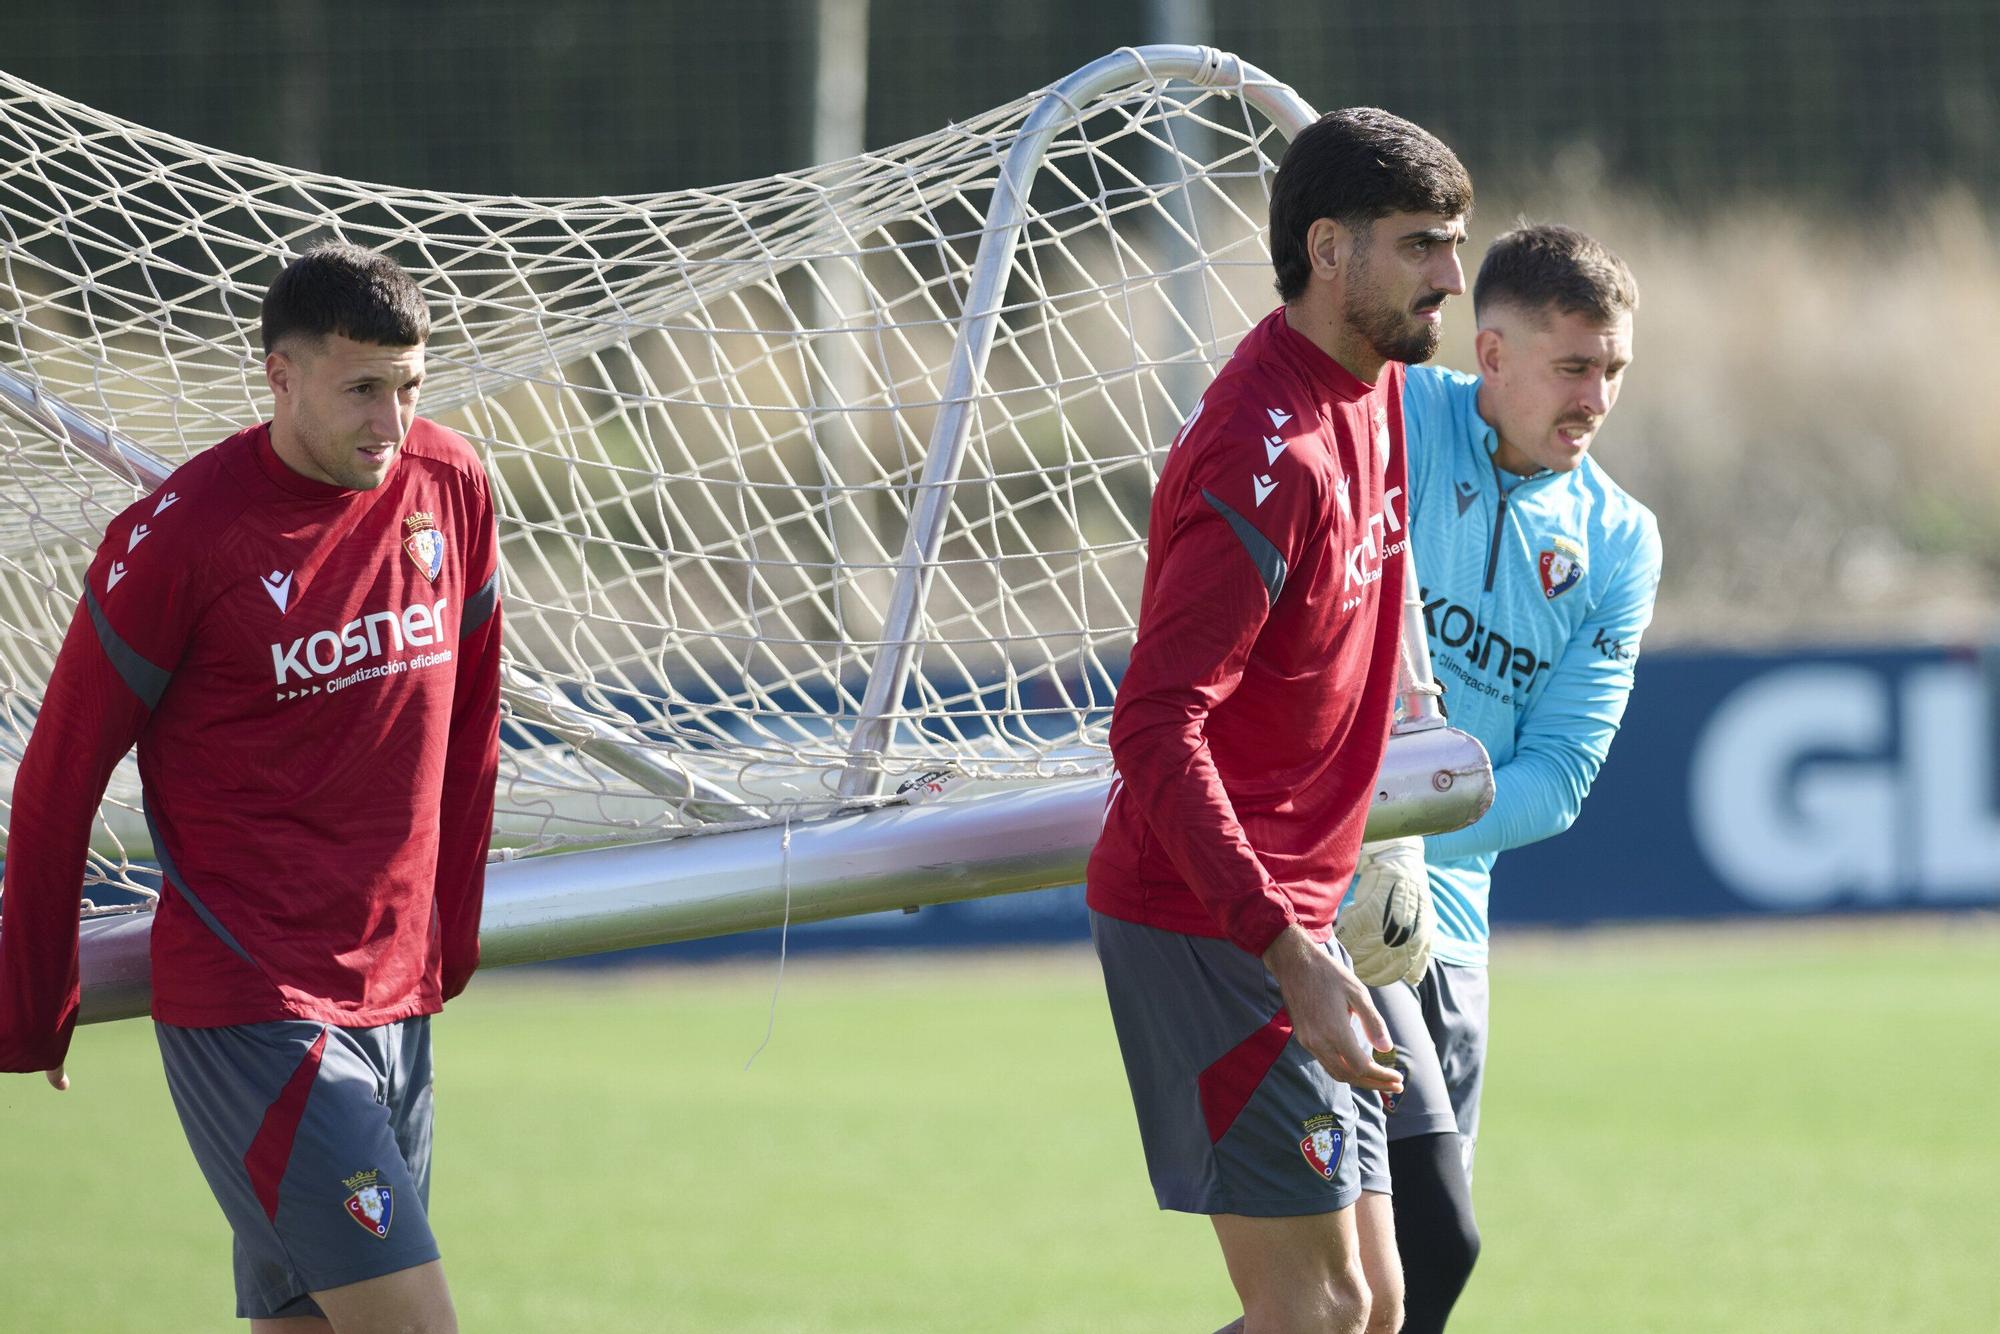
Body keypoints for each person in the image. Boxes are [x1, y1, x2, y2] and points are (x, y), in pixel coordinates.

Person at [0, 242, 502, 1333]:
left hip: (396, 996)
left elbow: (472, 731)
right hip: (260, 1013)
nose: (392, 422)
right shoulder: (181, 541)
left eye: (410, 389)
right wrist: (33, 1006)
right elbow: (54, 782)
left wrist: (445, 937)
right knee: (413, 1324)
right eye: (362, 389)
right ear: (280, 376)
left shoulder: (449, 484)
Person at [1086, 106, 1473, 1334]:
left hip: (1303, 916)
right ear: (1327, 247)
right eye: (1419, 244)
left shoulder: (1376, 393)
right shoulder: (1268, 452)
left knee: (1374, 1303)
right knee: (1310, 1312)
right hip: (1211, 923)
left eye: (1452, 243)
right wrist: (1280, 942)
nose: (1449, 278)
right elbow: (1152, 723)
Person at [1341, 222, 1661, 1333]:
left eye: (1612, 368)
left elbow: (1558, 776)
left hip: (1445, 938)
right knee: (1417, 1250)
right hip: (1320, 920)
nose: (1597, 396)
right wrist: (1342, 846)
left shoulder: (1618, 540)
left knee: (1388, 1301)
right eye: (1573, 366)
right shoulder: (1389, 414)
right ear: (1487, 354)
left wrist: (1398, 846)